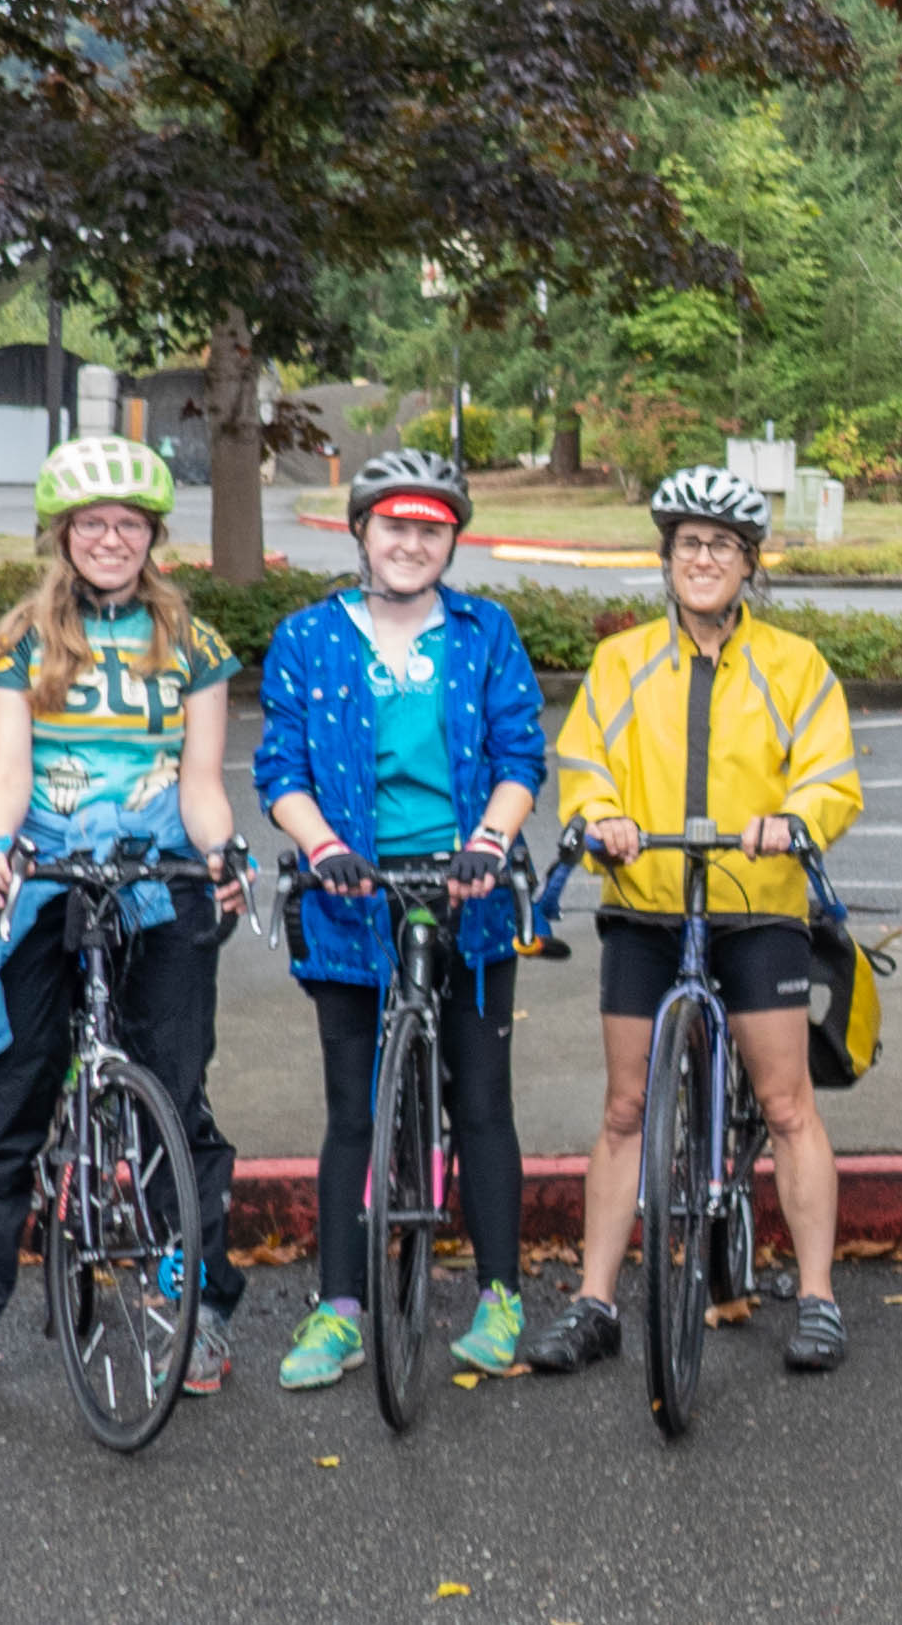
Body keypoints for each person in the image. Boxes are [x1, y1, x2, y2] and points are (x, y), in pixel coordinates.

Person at [0, 433, 256, 1416]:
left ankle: (197, 1302)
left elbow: (201, 782)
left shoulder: (192, 643)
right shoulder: (19, 639)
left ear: (152, 536)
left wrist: (222, 852)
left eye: (129, 524)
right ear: (61, 534)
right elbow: (6, 771)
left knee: (175, 1101)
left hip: (158, 877)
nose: (111, 538)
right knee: (7, 1104)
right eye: (92, 523)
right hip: (47, 872)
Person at [526, 463, 866, 1380]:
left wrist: (795, 820)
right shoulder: (622, 661)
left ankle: (819, 1296)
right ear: (666, 556)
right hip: (645, 903)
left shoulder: (794, 664)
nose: (703, 558)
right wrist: (601, 817)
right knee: (625, 1108)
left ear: (749, 562)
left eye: (722, 545)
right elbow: (586, 761)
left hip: (756, 907)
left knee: (787, 1104)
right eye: (688, 544)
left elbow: (829, 772)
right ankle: (595, 1300)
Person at [253, 444, 548, 1390]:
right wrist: (322, 847)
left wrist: (491, 843)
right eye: (394, 526)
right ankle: (340, 1307)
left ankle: (499, 1298)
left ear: (452, 541)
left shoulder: (484, 631)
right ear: (360, 531)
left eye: (431, 529)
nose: (411, 544)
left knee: (482, 1100)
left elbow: (519, 754)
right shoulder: (308, 636)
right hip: (352, 890)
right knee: (352, 1109)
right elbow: (280, 768)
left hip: (467, 889)